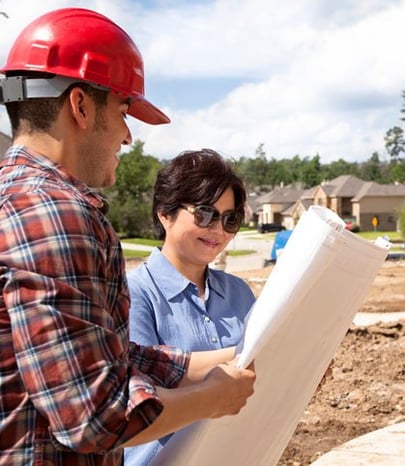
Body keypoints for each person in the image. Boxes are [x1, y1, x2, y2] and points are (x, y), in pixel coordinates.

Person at [0, 8, 255, 465]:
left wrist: (231, 364)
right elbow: (95, 415)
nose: (127, 136)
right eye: (122, 110)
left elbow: (105, 355)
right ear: (80, 106)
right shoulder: (56, 214)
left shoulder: (16, 197)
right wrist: (215, 398)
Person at [125, 149, 256, 465]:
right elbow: (138, 402)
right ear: (164, 213)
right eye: (205, 214)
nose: (218, 231)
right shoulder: (133, 294)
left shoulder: (240, 293)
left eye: (230, 219)